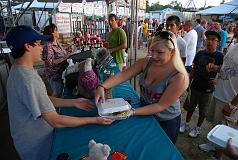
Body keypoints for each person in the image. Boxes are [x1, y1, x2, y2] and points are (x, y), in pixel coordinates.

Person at [5, 25, 114, 160]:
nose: (42, 48)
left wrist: (73, 102)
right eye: (39, 44)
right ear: (27, 46)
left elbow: (43, 100)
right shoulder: (27, 79)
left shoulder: (18, 70)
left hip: (30, 138)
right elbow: (55, 121)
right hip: (37, 144)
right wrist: (93, 120)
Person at [95, 31, 189, 144]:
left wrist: (132, 112)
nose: (154, 56)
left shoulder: (178, 77)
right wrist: (102, 86)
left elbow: (160, 106)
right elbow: (123, 75)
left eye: (159, 52)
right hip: (144, 113)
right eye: (152, 50)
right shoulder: (146, 62)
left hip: (166, 120)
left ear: (172, 51)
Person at [198, 23, 238, 159]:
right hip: (220, 92)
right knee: (217, 124)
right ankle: (213, 145)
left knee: (225, 131)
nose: (235, 28)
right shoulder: (234, 46)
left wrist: (233, 104)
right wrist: (215, 68)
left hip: (230, 99)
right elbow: (227, 68)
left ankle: (217, 156)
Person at [180, 31, 223, 138]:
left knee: (203, 111)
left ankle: (198, 128)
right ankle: (186, 124)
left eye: (213, 39)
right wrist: (188, 82)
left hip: (208, 89)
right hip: (195, 86)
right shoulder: (200, 53)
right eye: (208, 39)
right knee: (190, 107)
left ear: (218, 43)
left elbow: (224, 71)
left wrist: (217, 80)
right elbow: (194, 69)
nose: (210, 41)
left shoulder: (219, 56)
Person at [42, 24, 70, 97]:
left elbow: (61, 53)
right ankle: (52, 107)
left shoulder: (57, 42)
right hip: (54, 74)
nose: (58, 32)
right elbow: (50, 62)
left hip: (60, 71)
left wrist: (68, 50)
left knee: (59, 91)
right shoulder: (48, 46)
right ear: (52, 34)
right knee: (56, 93)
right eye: (56, 30)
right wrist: (64, 58)